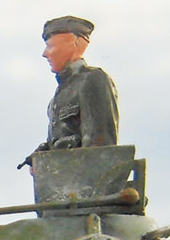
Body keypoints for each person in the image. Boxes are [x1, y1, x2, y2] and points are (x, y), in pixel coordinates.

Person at [20, 15, 119, 168]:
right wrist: (43, 157)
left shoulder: (92, 79)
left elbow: (100, 147)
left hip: (83, 177)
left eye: (50, 46)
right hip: (62, 178)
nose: (45, 53)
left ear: (73, 45)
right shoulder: (58, 96)